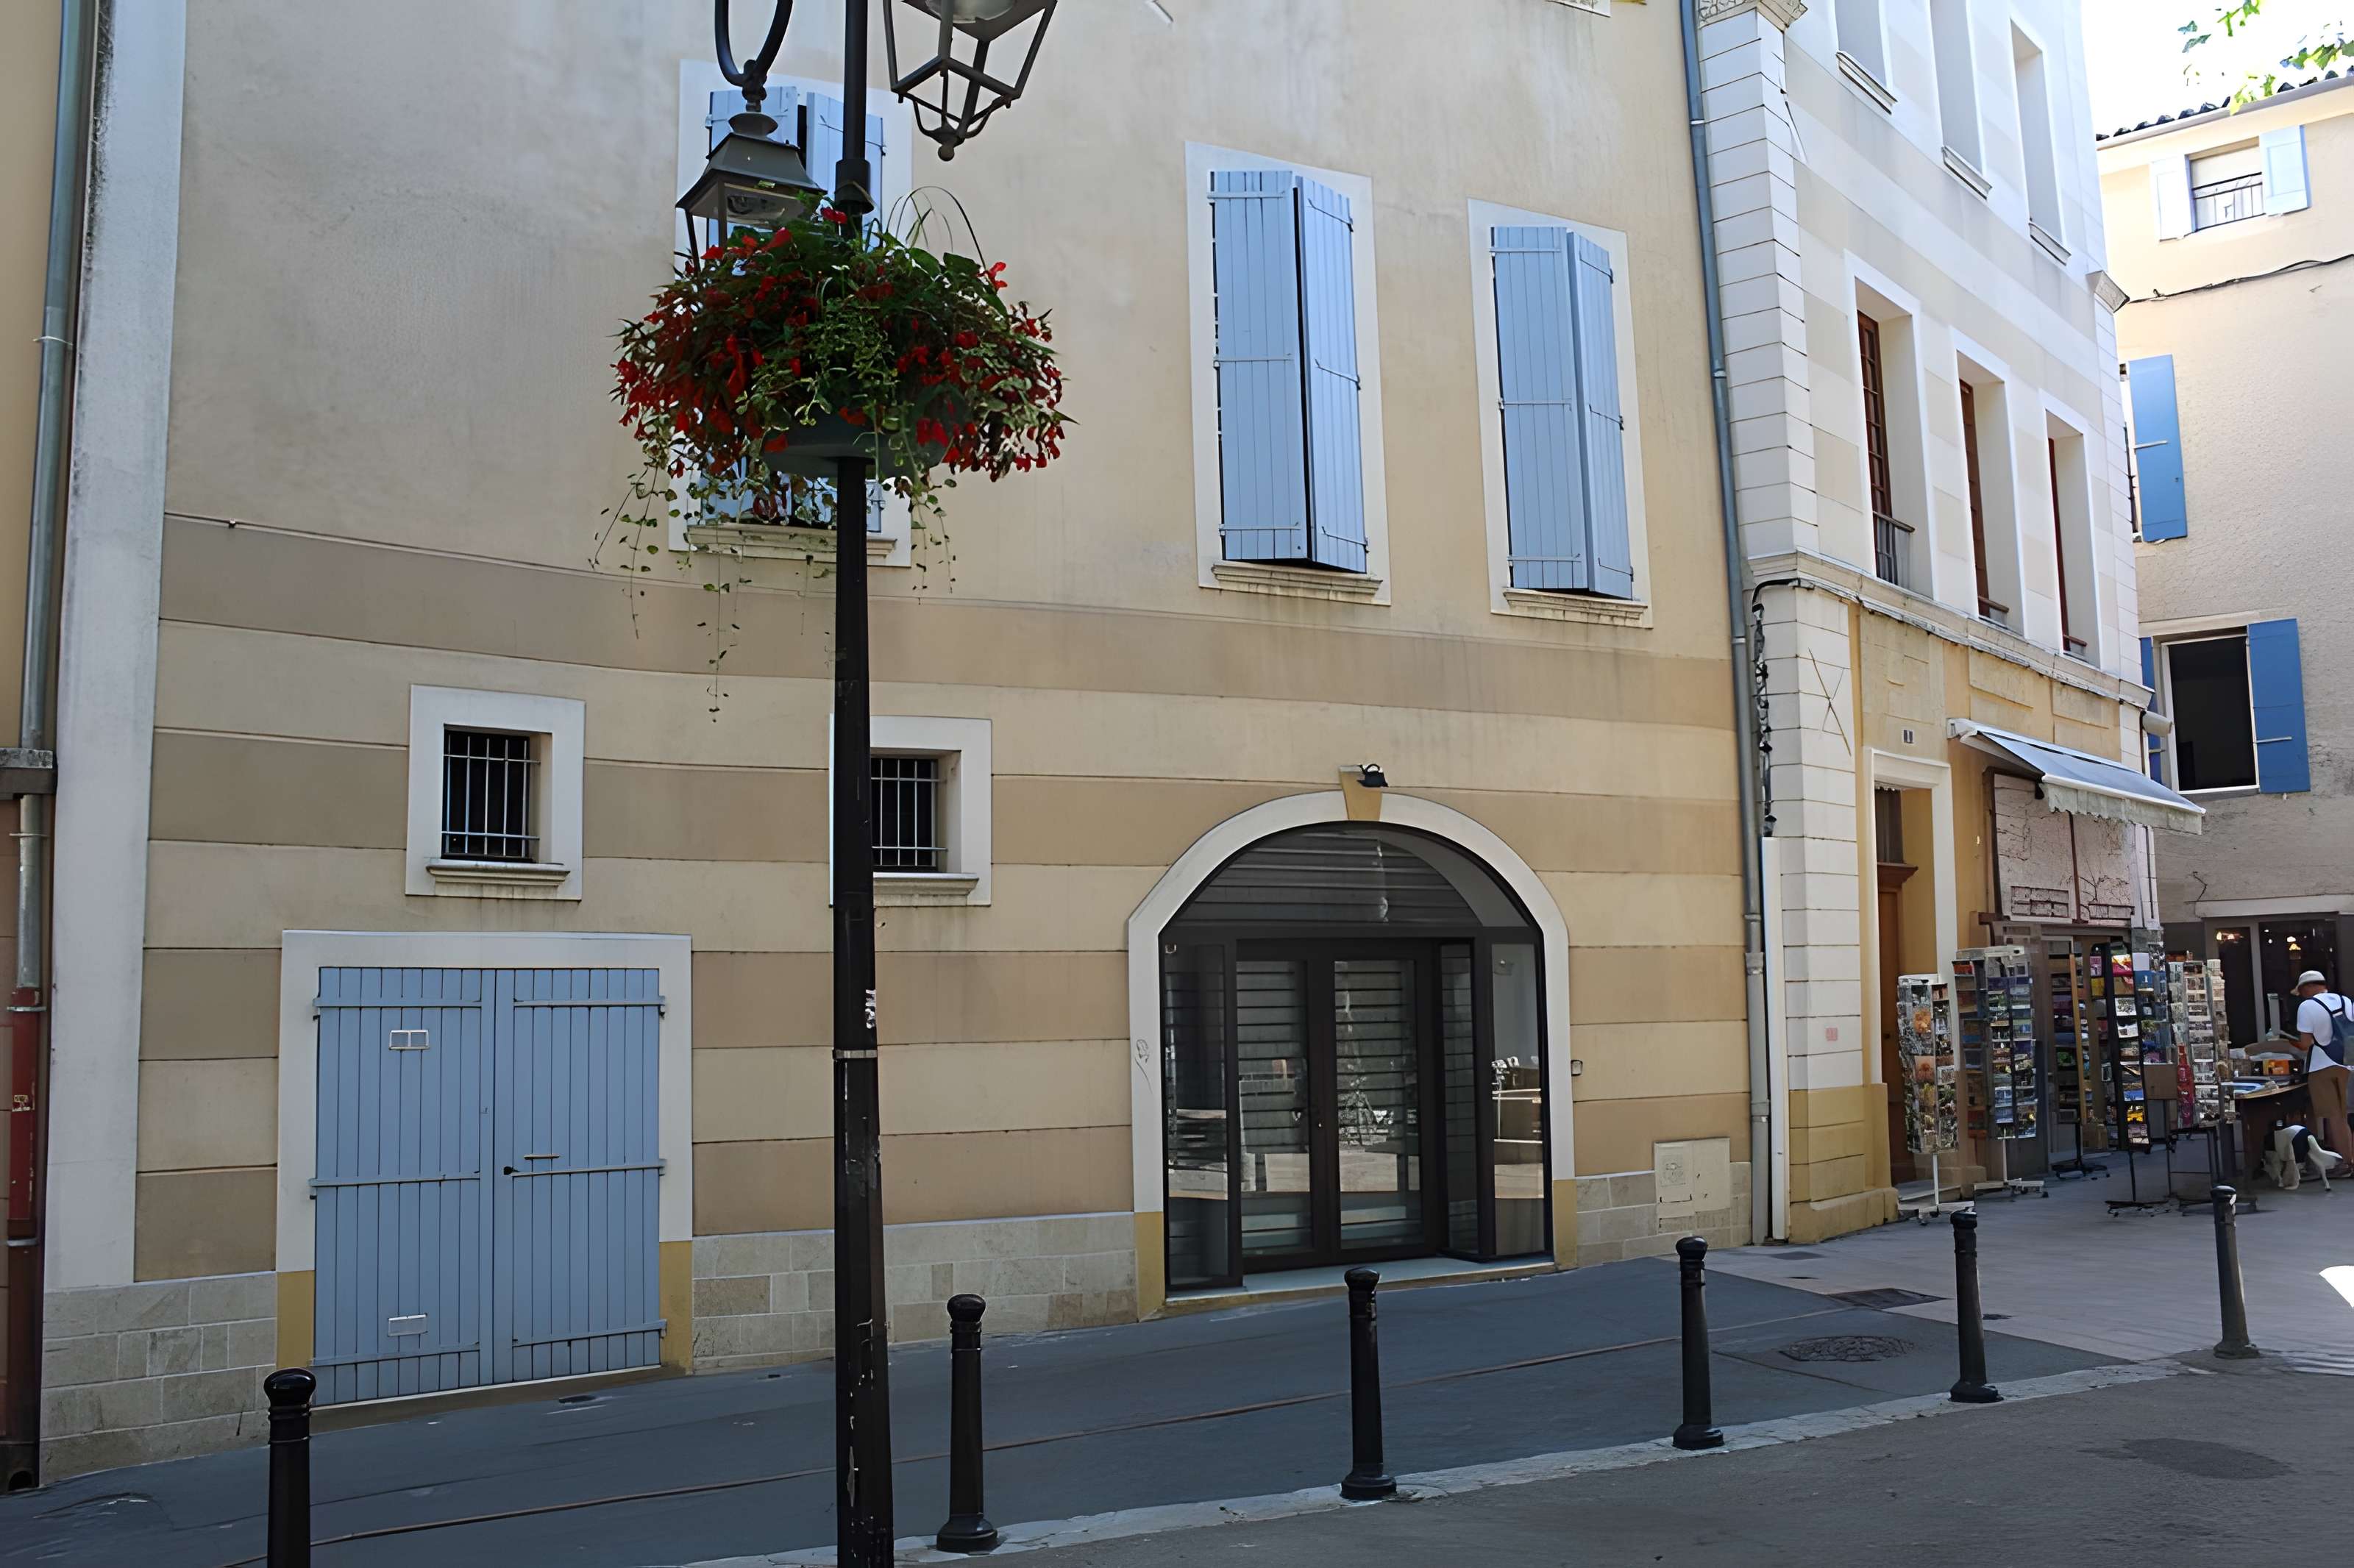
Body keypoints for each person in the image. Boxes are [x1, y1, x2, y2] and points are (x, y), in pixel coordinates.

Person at [2294, 969, 2354, 1166]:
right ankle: (2347, 1159)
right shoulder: (2345, 1001)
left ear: (2308, 988)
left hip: (2323, 1066)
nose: (2301, 996)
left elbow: (2304, 1044)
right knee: (2346, 1115)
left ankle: (2345, 1163)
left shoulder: (2307, 1006)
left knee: (2334, 1117)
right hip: (2349, 1064)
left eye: (2301, 991)